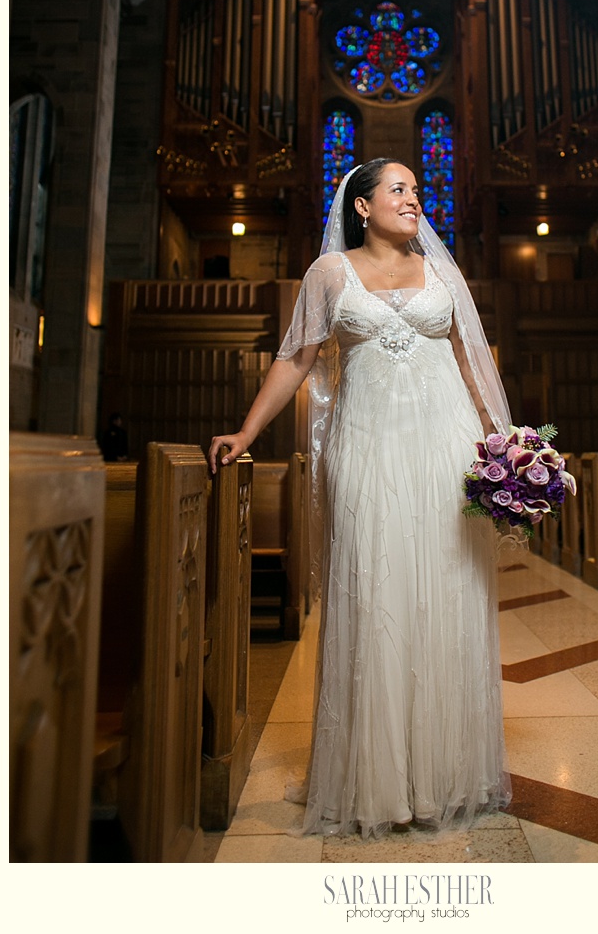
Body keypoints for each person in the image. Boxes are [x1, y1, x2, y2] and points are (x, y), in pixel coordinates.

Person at [208, 159, 512, 838]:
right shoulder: (329, 274)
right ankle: (376, 784)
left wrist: (507, 446)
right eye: (398, 189)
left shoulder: (444, 272)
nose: (413, 198)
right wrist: (247, 428)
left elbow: (471, 359)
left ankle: (445, 774)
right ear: (362, 206)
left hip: (446, 449)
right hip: (369, 448)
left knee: (445, 593)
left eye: (415, 188)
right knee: (377, 598)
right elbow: (296, 358)